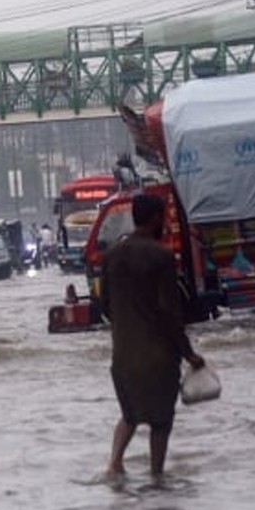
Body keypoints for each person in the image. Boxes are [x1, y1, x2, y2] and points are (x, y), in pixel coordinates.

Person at [100, 194, 205, 478]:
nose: (167, 223)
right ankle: (156, 477)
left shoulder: (111, 256)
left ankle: (114, 465)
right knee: (160, 422)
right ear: (155, 218)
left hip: (121, 357)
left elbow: (104, 306)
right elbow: (171, 313)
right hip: (158, 358)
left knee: (130, 415)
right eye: (165, 218)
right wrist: (189, 355)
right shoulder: (161, 257)